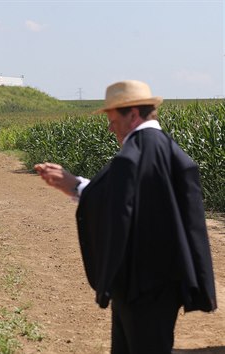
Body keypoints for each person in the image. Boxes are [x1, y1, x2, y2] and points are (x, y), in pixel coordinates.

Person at [34, 80, 217, 354]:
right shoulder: (165, 148)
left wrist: (73, 185)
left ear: (132, 114)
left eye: (112, 119)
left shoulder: (134, 154)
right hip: (163, 280)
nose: (110, 127)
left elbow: (119, 206)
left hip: (141, 285)